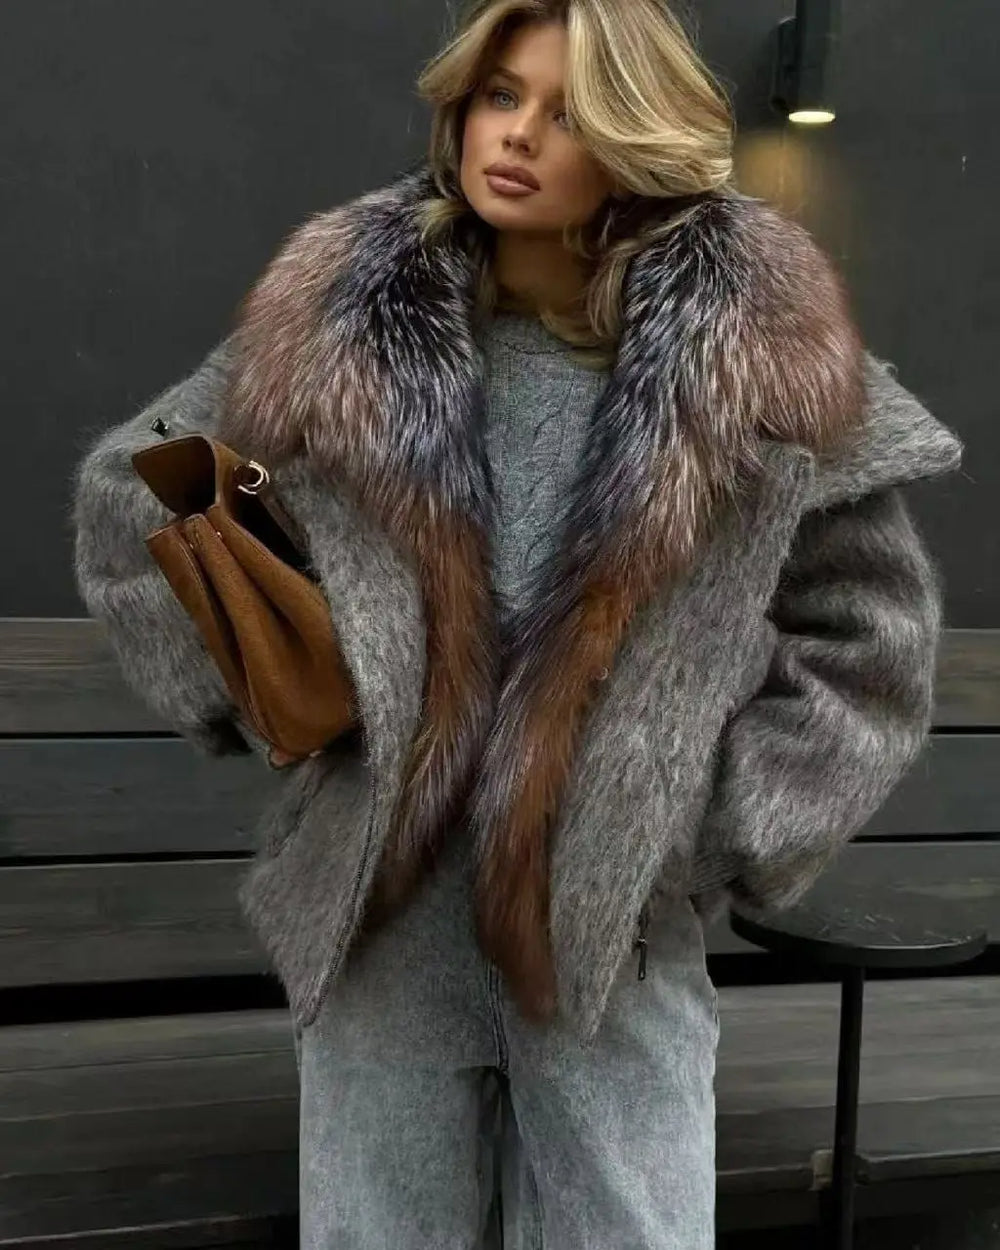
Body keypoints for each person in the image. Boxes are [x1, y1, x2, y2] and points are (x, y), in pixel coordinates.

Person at [71, 1, 965, 1245]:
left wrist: (691, 831)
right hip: (385, 928)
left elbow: (868, 644)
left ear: (638, 139)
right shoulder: (346, 324)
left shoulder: (747, 361)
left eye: (571, 112)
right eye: (501, 95)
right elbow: (138, 494)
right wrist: (279, 684)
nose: (519, 136)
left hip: (608, 948)